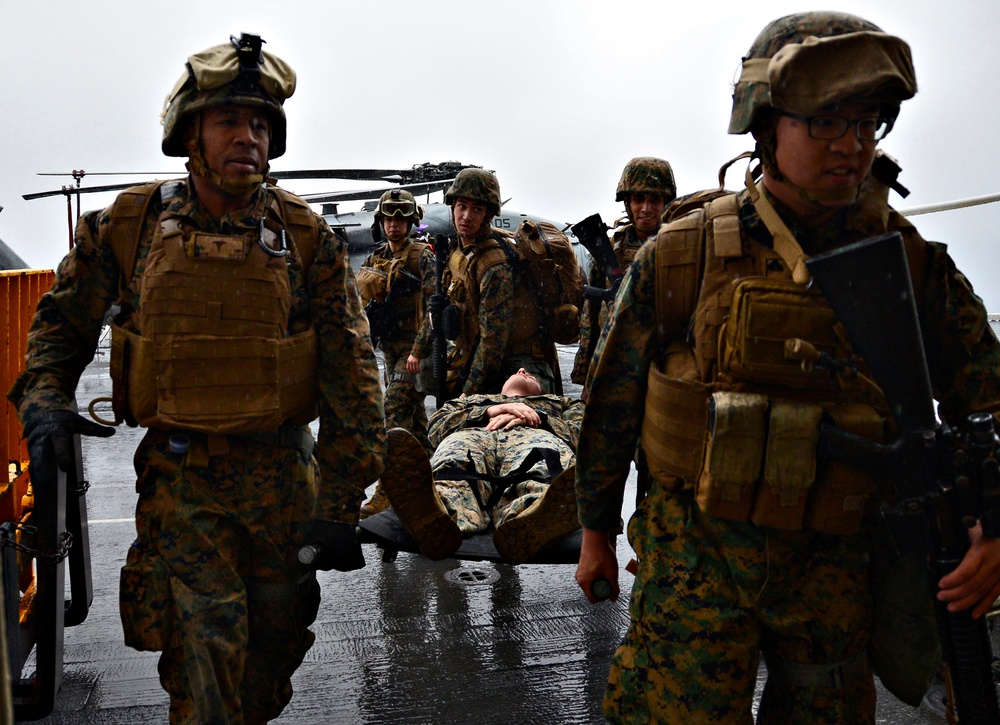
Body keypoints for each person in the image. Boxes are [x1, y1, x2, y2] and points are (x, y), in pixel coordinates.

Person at [573, 12, 1000, 723]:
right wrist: (596, 533)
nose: (853, 147)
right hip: (693, 563)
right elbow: (611, 403)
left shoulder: (911, 265)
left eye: (869, 124)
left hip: (835, 570)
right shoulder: (682, 255)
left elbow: (988, 396)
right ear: (766, 125)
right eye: (828, 122)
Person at [7, 34, 384, 723]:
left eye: (262, 125)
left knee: (266, 673)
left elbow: (352, 373)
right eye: (229, 121)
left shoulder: (304, 236)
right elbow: (58, 327)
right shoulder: (130, 226)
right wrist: (43, 404)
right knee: (203, 671)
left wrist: (340, 497)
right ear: (191, 134)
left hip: (282, 482)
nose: (249, 136)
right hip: (183, 484)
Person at [381, 368, 584, 563]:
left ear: (543, 390)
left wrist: (539, 417)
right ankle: (438, 514)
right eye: (518, 372)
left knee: (543, 469)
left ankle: (533, 519)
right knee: (453, 466)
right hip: (473, 436)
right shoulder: (471, 401)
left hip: (537, 436)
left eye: (531, 375)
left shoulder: (560, 403)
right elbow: (436, 427)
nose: (522, 370)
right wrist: (490, 410)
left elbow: (585, 431)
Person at [407, 168, 558, 397]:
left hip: (517, 367)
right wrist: (418, 350)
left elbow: (492, 345)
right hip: (476, 355)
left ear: (488, 215)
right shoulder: (459, 250)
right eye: (462, 206)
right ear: (453, 207)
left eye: (476, 209)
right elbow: (443, 302)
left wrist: (466, 396)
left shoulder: (493, 265)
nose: (467, 216)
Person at [357, 189, 435, 517]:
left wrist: (419, 350)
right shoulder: (376, 258)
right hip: (389, 350)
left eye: (401, 219)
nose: (394, 225)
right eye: (389, 219)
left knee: (392, 416)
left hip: (414, 350)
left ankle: (386, 492)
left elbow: (435, 306)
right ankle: (436, 478)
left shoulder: (422, 257)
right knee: (415, 425)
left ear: (411, 222)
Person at [571, 157, 676, 385]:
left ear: (666, 202)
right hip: (614, 363)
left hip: (664, 366)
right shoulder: (609, 249)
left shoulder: (680, 246)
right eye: (638, 199)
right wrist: (586, 376)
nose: (646, 209)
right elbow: (591, 316)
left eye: (655, 200)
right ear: (627, 202)